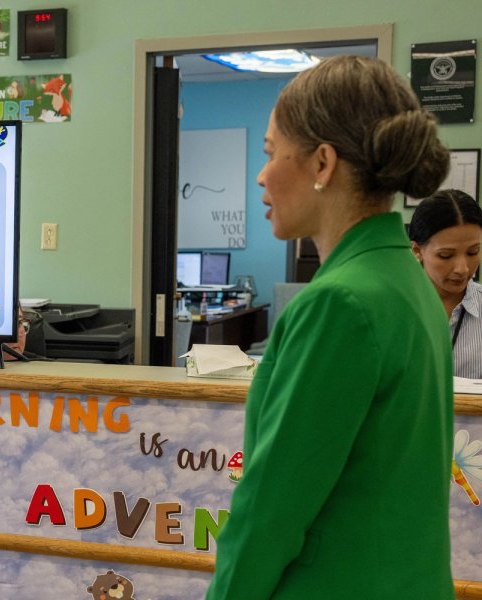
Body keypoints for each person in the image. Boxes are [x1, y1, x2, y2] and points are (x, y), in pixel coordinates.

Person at [206, 56, 455, 598]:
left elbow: (271, 511)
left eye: (271, 153)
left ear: (322, 163)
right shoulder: (409, 283)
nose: (261, 174)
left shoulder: (339, 303)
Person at [410, 189, 482, 378]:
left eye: (473, 252)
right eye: (446, 255)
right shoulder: (392, 307)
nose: (462, 269)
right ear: (417, 251)